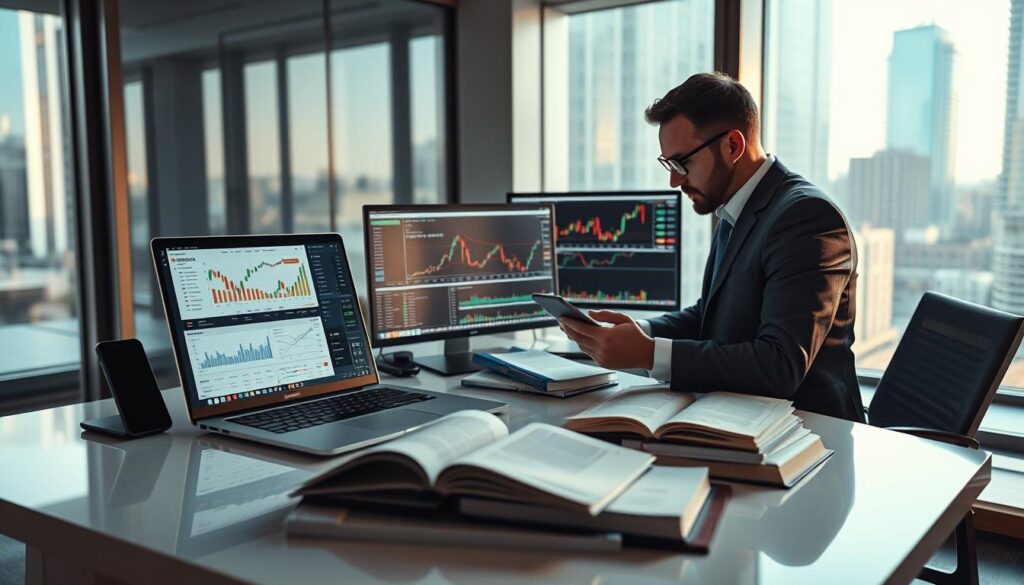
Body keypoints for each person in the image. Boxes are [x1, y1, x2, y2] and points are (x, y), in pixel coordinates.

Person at [559, 72, 864, 422]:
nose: (674, 180)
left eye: (681, 163)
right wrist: (643, 331)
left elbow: (780, 364)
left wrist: (650, 354)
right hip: (743, 420)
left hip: (812, 438)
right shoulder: (736, 207)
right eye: (668, 164)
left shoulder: (808, 217)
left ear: (732, 146)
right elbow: (710, 314)